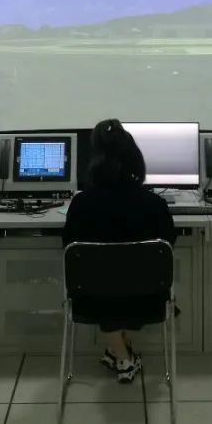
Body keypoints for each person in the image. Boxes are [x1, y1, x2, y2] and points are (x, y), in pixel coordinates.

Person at [61, 119, 176, 384]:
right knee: (126, 282)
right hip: (149, 300)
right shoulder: (155, 204)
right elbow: (168, 247)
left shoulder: (81, 204)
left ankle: (121, 353)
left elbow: (68, 249)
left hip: (90, 301)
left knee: (109, 284)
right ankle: (122, 353)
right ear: (136, 159)